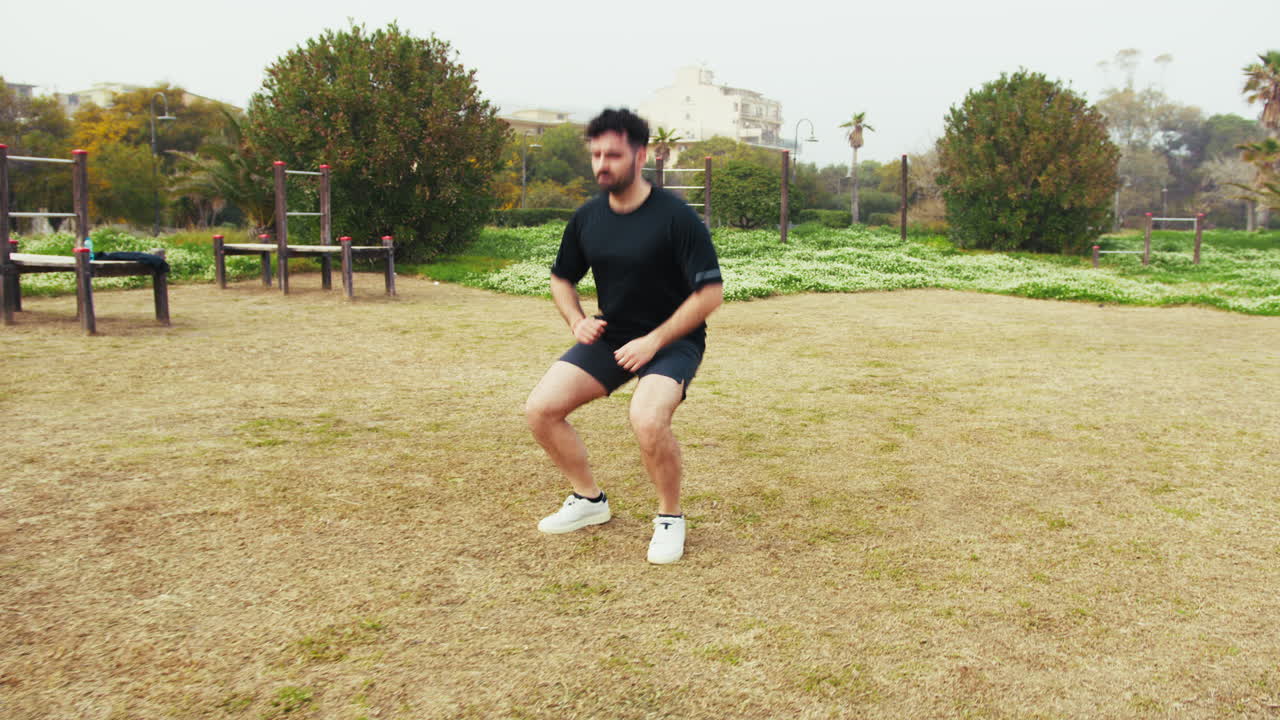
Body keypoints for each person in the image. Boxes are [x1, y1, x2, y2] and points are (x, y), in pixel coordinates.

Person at [525, 108, 724, 564]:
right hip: (613, 337)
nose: (601, 164)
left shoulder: (677, 218)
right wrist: (576, 321)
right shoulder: (588, 218)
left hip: (673, 342)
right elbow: (562, 280)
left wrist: (654, 341)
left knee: (648, 418)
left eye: (612, 154)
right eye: (595, 154)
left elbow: (709, 294)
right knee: (541, 410)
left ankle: (670, 518)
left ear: (640, 154)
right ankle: (589, 501)